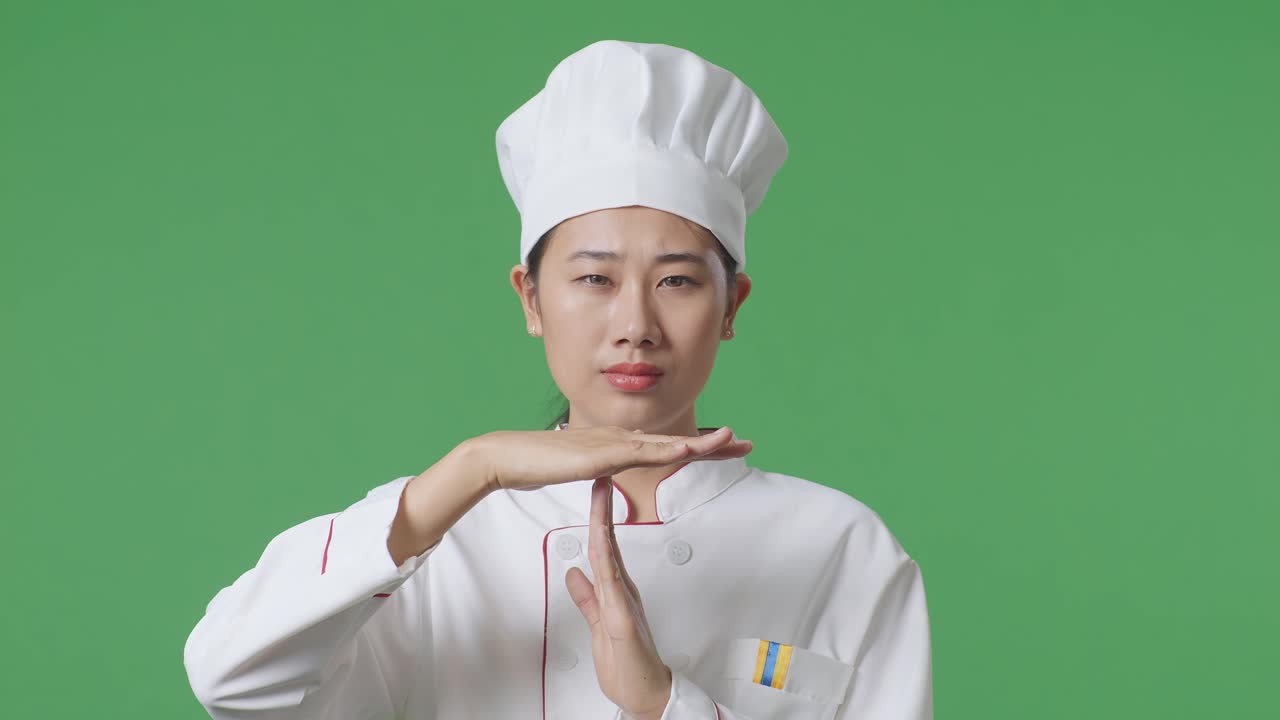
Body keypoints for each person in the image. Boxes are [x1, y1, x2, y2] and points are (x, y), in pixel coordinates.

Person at [183, 39, 933, 720]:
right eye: (595, 278)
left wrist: (664, 704)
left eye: (676, 281)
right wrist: (472, 467)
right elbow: (233, 680)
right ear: (532, 300)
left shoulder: (840, 548)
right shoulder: (441, 540)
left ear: (731, 305)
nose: (635, 324)